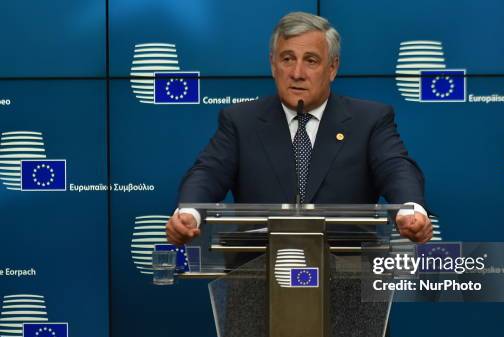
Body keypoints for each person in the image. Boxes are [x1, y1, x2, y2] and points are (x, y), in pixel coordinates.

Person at [166, 11, 432, 245]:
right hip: (258, 274)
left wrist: (410, 209)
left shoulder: (370, 119)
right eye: (287, 59)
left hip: (348, 275)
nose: (297, 72)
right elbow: (208, 173)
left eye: (311, 60)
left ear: (332, 67)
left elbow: (396, 168)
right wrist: (189, 213)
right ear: (273, 64)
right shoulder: (240, 121)